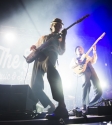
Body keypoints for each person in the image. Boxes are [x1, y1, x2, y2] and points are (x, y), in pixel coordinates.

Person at [29, 18, 68, 119]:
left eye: (60, 25)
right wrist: (33, 46)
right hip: (38, 58)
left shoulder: (59, 37)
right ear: (51, 25)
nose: (58, 26)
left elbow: (62, 51)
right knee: (34, 86)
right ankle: (51, 105)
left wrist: (64, 37)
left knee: (52, 73)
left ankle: (62, 105)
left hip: (50, 55)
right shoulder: (43, 37)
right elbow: (36, 46)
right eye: (56, 24)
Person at [70, 45, 102, 111]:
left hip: (91, 70)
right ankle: (84, 104)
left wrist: (94, 51)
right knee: (86, 84)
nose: (80, 49)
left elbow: (93, 61)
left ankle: (90, 105)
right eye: (78, 49)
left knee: (99, 89)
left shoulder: (86, 56)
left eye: (81, 49)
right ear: (75, 52)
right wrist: (77, 63)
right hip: (84, 71)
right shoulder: (75, 59)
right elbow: (71, 67)